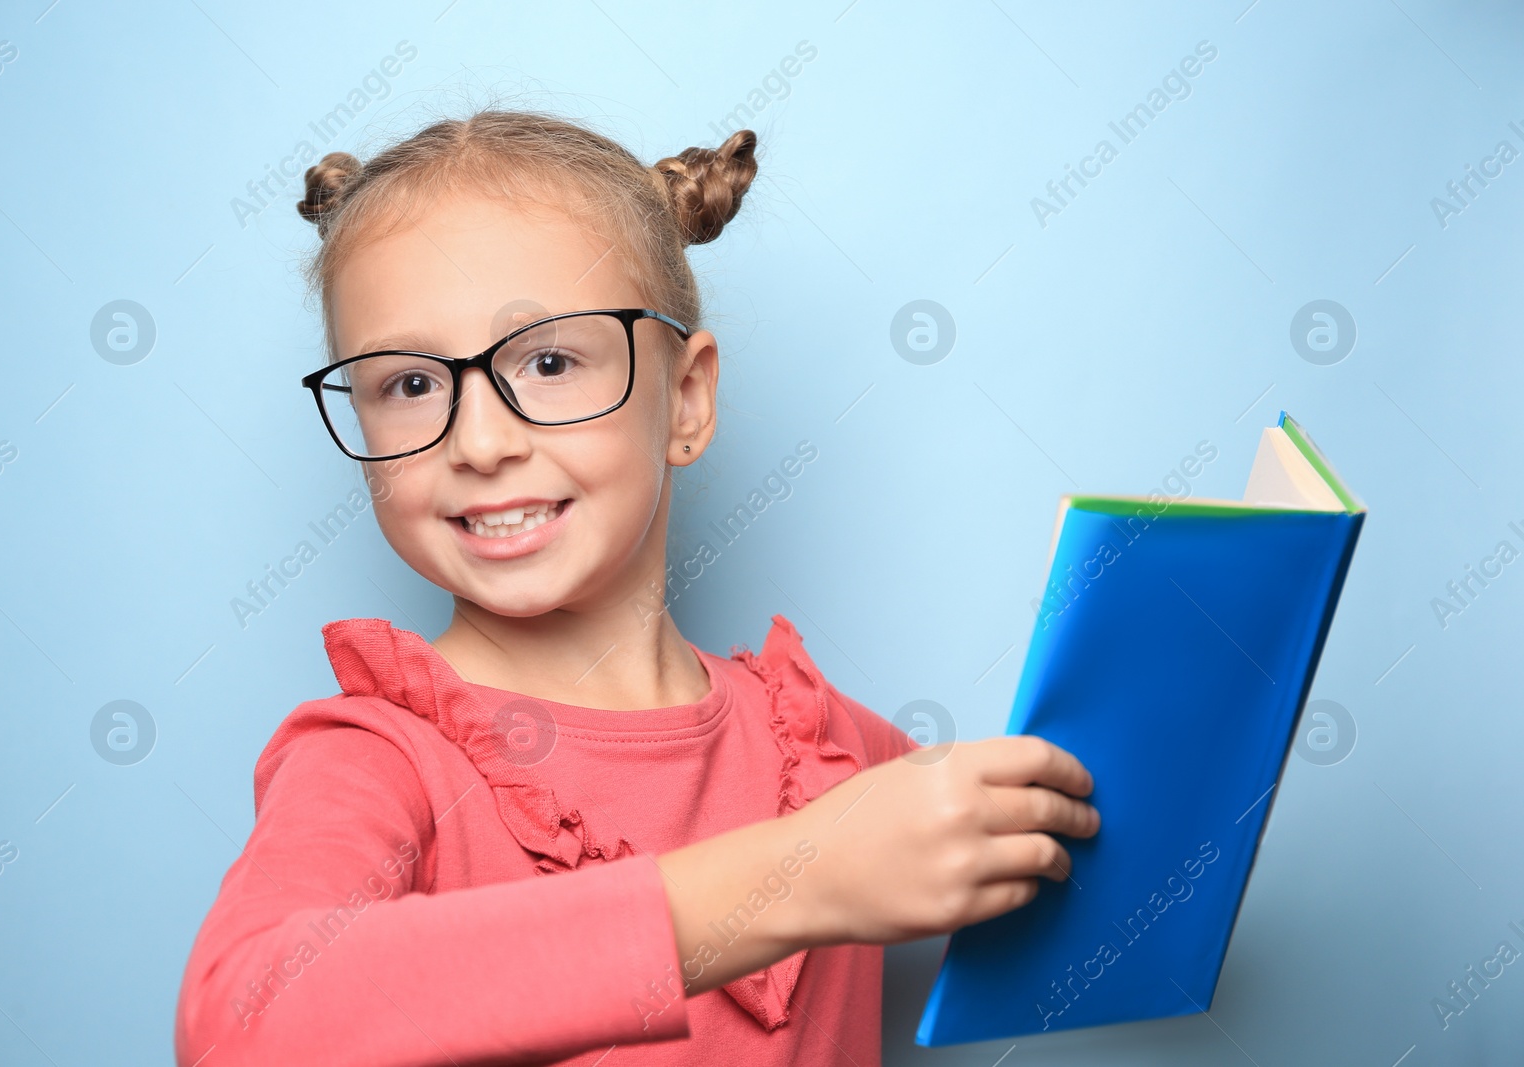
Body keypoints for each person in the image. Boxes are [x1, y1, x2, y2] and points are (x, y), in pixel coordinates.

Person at [172, 108, 1100, 1066]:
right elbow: (244, 1022)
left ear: (687, 400)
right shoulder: (379, 761)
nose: (481, 443)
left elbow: (1092, 870)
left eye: (549, 361)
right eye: (409, 384)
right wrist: (798, 879)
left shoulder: (819, 742)